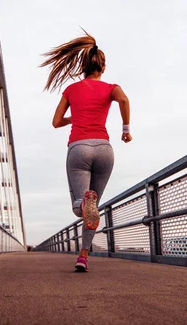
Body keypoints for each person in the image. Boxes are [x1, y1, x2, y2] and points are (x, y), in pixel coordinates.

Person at [40, 30, 132, 272]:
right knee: (93, 211)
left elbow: (56, 122)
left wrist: (75, 117)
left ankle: (83, 203)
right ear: (103, 67)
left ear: (83, 66)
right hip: (104, 150)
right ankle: (83, 256)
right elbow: (124, 100)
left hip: (79, 148)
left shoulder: (71, 90)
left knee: (80, 208)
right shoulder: (112, 88)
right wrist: (126, 129)